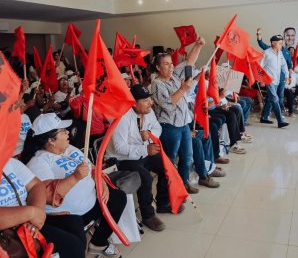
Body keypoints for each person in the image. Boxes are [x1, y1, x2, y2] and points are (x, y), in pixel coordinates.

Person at [22, 113, 127, 258]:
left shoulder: (69, 148)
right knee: (76, 247)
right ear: (51, 140)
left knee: (118, 198)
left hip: (92, 201)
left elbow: (92, 168)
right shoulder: (38, 162)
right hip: (67, 215)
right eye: (62, 131)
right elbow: (47, 194)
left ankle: (98, 243)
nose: (67, 132)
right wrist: (75, 177)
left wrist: (101, 183)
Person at [106, 84, 182, 232]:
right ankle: (148, 215)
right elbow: (119, 148)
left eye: (150, 99)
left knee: (168, 165)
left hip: (142, 152)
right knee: (145, 178)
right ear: (134, 103)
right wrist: (145, 148)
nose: (151, 103)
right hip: (121, 159)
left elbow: (157, 128)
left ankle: (163, 202)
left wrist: (148, 132)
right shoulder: (121, 117)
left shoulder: (147, 111)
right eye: (146, 100)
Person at [151, 37, 205, 194]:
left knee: (187, 156)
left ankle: (183, 183)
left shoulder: (174, 77)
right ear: (158, 67)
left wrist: (198, 45)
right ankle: (170, 190)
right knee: (170, 159)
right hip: (169, 128)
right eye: (166, 64)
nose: (171, 66)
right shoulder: (157, 84)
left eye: (171, 63)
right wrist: (182, 89)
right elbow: (167, 105)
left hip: (183, 124)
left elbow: (189, 62)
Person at [0, 158, 85, 257]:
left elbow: (36, 185)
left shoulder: (9, 162)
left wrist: (37, 212)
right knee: (73, 247)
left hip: (28, 223)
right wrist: (31, 213)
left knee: (74, 222)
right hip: (7, 231)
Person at [259, 35, 290, 128]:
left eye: (282, 43)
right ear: (273, 43)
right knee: (275, 99)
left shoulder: (280, 53)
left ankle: (264, 117)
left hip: (277, 79)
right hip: (268, 80)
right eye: (280, 43)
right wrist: (262, 80)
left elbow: (284, 65)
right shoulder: (266, 53)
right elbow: (260, 67)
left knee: (270, 99)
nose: (282, 45)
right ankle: (280, 121)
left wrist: (287, 76)